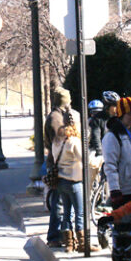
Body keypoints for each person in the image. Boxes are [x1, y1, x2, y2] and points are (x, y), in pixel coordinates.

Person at [52, 113, 98, 253]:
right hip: (74, 181)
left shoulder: (57, 141)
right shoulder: (73, 142)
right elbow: (85, 160)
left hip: (61, 181)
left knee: (66, 212)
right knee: (80, 212)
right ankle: (83, 244)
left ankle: (69, 244)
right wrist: (98, 162)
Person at [43, 86, 79, 248]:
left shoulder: (56, 116)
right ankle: (55, 235)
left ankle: (60, 235)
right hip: (60, 165)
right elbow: (60, 142)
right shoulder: (56, 119)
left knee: (61, 202)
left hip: (58, 164)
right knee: (59, 202)